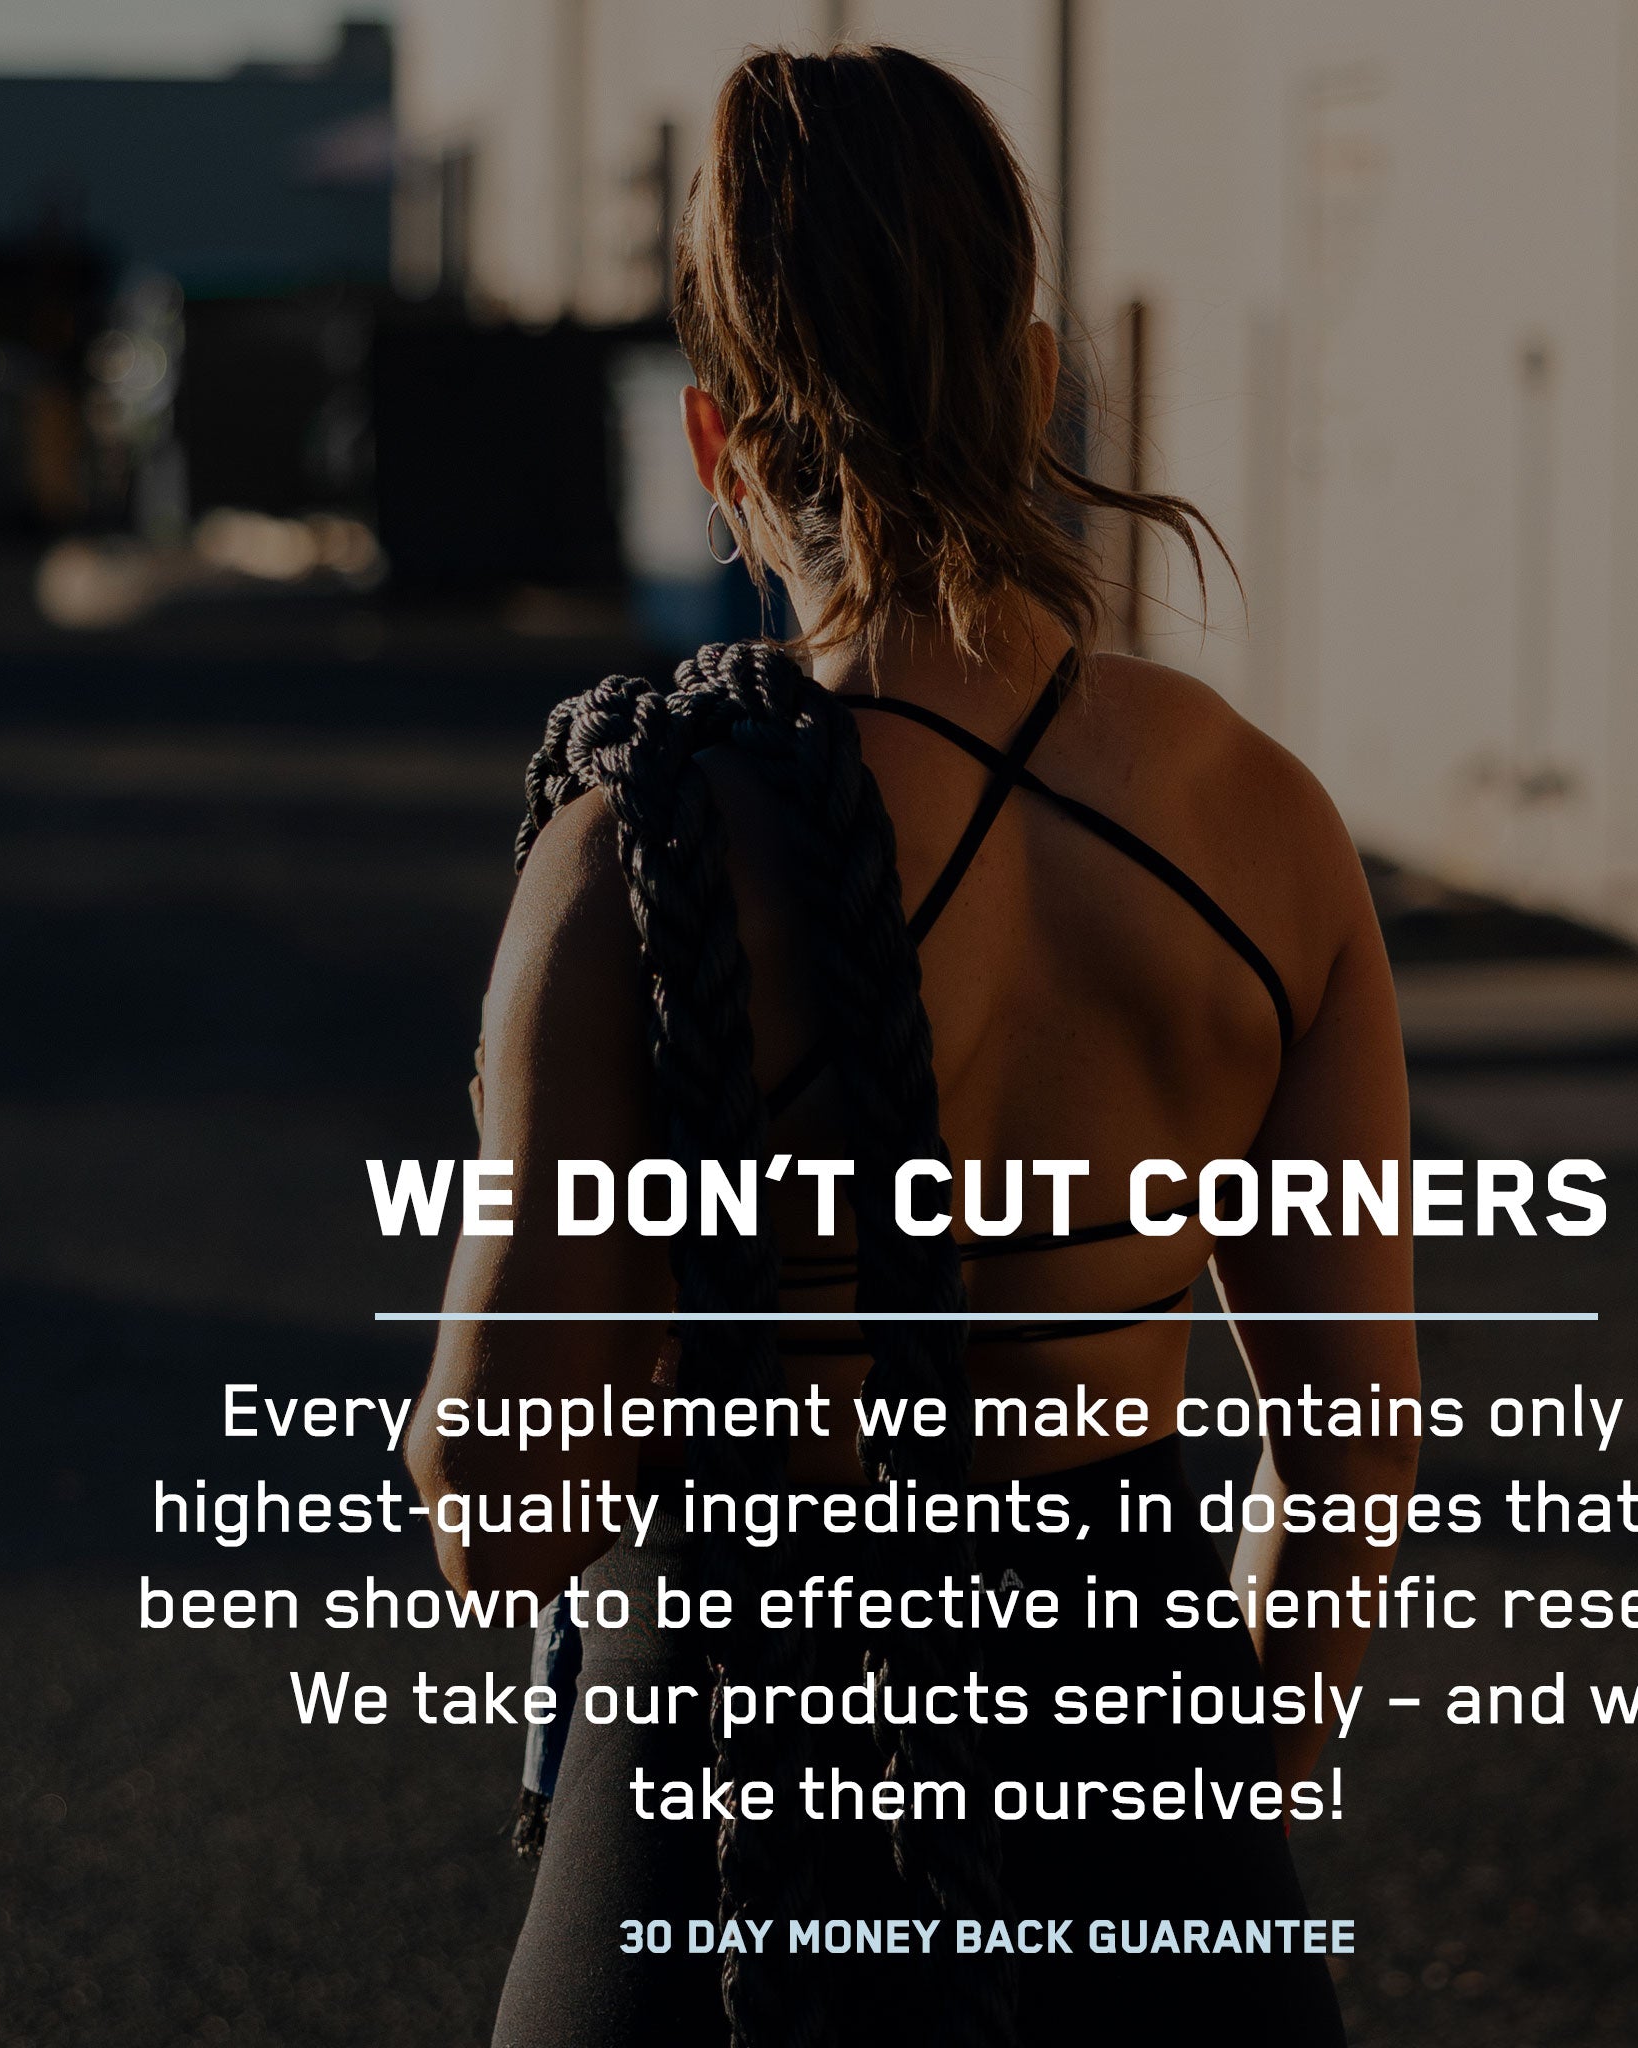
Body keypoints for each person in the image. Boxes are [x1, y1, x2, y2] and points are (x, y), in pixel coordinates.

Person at [406, 43, 1417, 2048]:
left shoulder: (643, 842)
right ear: (1036, 381)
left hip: (726, 1781)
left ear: (715, 441)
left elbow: (498, 1492)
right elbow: (1350, 1446)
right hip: (1140, 1775)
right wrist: (1201, 1774)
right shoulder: (1264, 818)